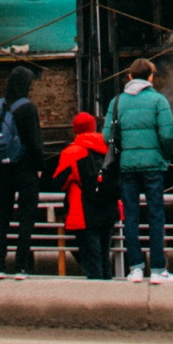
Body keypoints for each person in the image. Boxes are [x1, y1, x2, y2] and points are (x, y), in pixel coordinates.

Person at [107, 56, 173, 283]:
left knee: (131, 217)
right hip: (153, 166)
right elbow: (168, 134)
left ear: (129, 77)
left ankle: (135, 268)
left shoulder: (117, 103)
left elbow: (106, 135)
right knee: (156, 215)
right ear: (151, 77)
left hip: (127, 166)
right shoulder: (159, 101)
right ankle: (158, 269)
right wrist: (163, 157)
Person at [0, 64, 44, 279]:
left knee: (1, 218)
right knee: (26, 217)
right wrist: (40, 167)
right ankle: (21, 265)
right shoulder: (28, 108)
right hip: (26, 169)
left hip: (2, 169)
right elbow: (35, 142)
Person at [53, 110, 117, 279]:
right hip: (109, 208)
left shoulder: (71, 152)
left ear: (75, 130)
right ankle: (108, 296)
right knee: (105, 257)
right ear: (94, 126)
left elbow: (58, 182)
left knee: (91, 259)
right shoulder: (109, 148)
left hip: (84, 212)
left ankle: (97, 298)